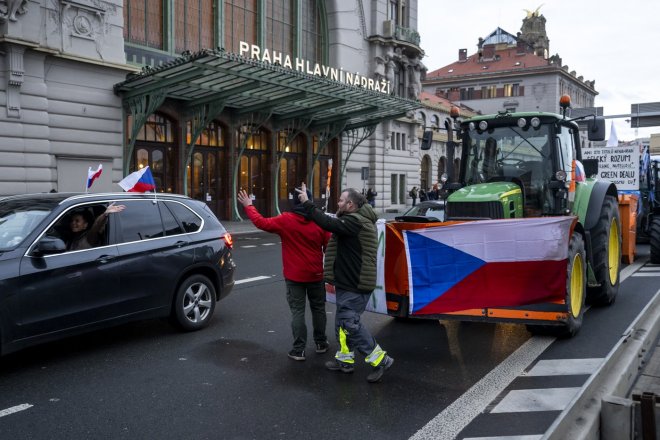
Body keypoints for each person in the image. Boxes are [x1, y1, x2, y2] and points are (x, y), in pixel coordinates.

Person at [297, 183, 394, 383]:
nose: (338, 203)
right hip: (347, 282)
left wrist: (307, 203)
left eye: (341, 200)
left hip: (355, 284)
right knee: (342, 325)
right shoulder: (353, 220)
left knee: (350, 323)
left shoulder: (356, 222)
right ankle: (345, 361)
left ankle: (380, 360)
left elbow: (327, 223)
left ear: (350, 204)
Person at [237, 188, 331, 361]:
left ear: (294, 202)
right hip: (316, 274)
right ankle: (321, 343)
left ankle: (299, 350)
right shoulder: (319, 221)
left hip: (294, 275)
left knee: (298, 311)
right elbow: (329, 247)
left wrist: (249, 206)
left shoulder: (286, 220)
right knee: (318, 309)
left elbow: (261, 222)